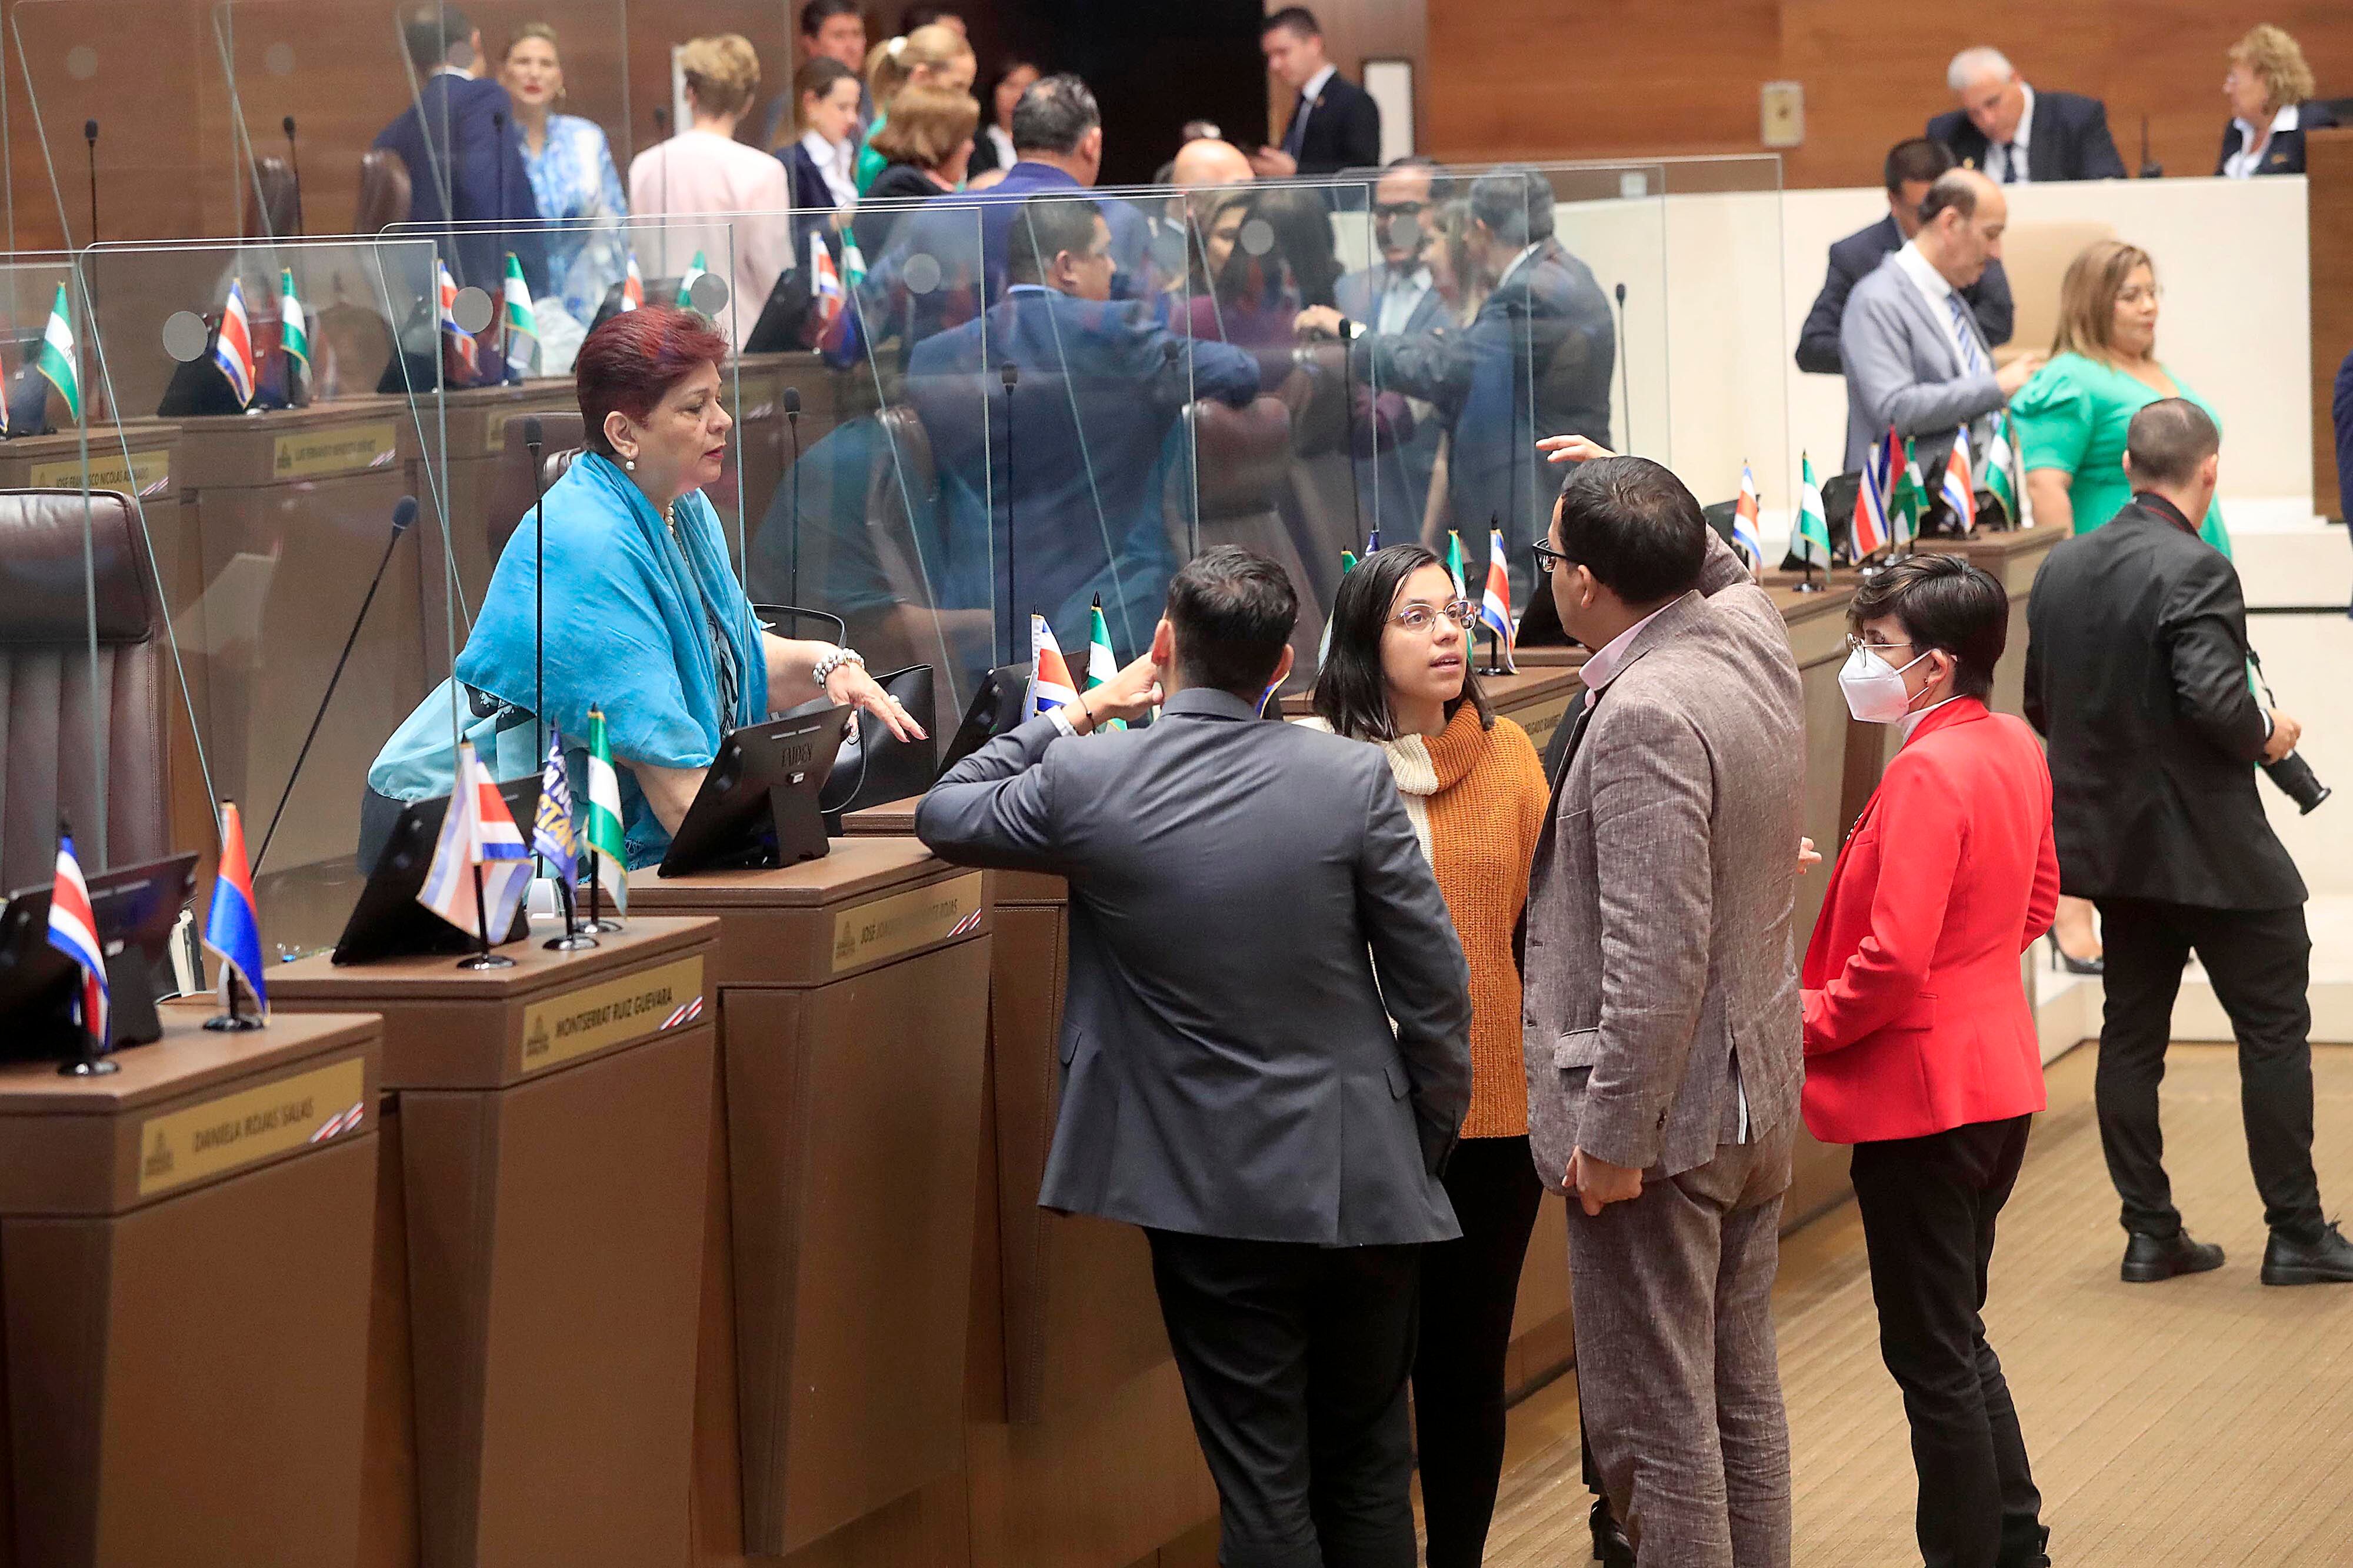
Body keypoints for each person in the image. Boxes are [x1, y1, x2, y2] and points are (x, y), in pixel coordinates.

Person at [916, 545, 1472, 1568]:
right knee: (1366, 1465)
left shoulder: (1092, 776)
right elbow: (1435, 989)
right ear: (1284, 664)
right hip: (1366, 1175)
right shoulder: (1350, 777)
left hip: (1206, 1194)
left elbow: (946, 807)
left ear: (1164, 649)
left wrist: (1079, 711)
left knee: (1265, 1483)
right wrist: (1419, 1138)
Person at [1521, 442, 1807, 1567]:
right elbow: (1725, 572)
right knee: (1740, 1397)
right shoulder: (1748, 634)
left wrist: (1613, 1138)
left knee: (1658, 1429)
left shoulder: (1644, 711)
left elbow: (1655, 960)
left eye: (1552, 554)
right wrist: (1645, 490)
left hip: (1668, 1125)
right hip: (1755, 1099)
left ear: (1584, 583)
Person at [368, 307, 919, 869]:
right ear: (624, 433)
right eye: (695, 407)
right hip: (466, 833)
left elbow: (733, 656)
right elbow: (682, 801)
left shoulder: (681, 504)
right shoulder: (587, 544)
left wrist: (830, 665)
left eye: (718, 399)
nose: (723, 420)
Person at [2024, 399, 2353, 1289]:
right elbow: (2214, 700)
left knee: (2131, 1035)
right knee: (2275, 1032)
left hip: (2115, 855)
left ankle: (2151, 1233)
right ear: (2209, 472)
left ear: (2128, 465)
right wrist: (2271, 734)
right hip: (2215, 850)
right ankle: (2295, 1232)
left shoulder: (2060, 568)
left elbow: (2038, 708)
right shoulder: (2200, 568)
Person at [1804, 554, 2058, 1568]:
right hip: (1997, 1080)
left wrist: (1800, 1022)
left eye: (1880, 646)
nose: (1861, 660)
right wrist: (1968, 977)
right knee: (1957, 1335)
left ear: (1938, 667)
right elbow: (2036, 902)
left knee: (1931, 1355)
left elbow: (1889, 961)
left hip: (1924, 1104)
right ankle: (2016, 1543)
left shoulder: (1924, 770)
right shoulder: (2014, 743)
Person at [1302, 546, 1547, 1568]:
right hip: (1359, 1124)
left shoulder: (1511, 757)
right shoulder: (1317, 770)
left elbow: (1549, 928)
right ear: (1364, 639)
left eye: (1454, 615)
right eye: (1417, 617)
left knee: (1462, 1372)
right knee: (1358, 1385)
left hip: (1490, 1115)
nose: (1448, 633)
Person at [906, 195, 1259, 670]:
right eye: (1104, 252)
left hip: (980, 624)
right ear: (1066, 266)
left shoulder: (934, 357)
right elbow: (1239, 372)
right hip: (1106, 619)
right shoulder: (1116, 334)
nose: (1114, 268)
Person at [1307, 167, 1614, 605]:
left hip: (1536, 498)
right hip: (1543, 489)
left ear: (1481, 230)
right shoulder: (1562, 272)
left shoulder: (1531, 292)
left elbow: (1448, 367)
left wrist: (1351, 335)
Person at [2013, 240, 2232, 557]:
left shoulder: (2157, 371)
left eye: (2152, 293)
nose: (2149, 306)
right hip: (2118, 567)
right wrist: (2069, 579)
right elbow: (2045, 486)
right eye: (2131, 297)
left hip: (2195, 563)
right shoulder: (2068, 378)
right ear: (2091, 303)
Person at [1839, 169, 2044, 482]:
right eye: (1990, 234)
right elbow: (1893, 411)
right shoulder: (1876, 300)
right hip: (1910, 514)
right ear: (1949, 223)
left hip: (1971, 510)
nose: (1996, 252)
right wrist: (1996, 387)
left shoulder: (1951, 297)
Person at [627, 35, 794, 349]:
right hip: (739, 343)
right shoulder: (763, 171)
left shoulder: (645, 166)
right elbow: (773, 277)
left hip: (664, 344)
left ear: (689, 93)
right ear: (747, 101)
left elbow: (644, 262)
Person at [1795, 138, 2013, 376]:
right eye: (1922, 212)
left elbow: (2000, 320)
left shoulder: (1972, 239)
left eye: (1945, 213)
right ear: (1893, 202)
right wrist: (1894, 349)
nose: (1937, 224)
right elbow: (1812, 348)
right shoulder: (1855, 255)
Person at [376, 4, 548, 297]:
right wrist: (494, 289)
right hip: (489, 292)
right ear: (475, 41)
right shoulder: (483, 99)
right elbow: (482, 192)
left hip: (427, 292)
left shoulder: (398, 129)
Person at [1334, 158, 1450, 539]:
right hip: (1358, 498)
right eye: (1382, 212)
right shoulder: (1349, 291)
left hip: (1432, 501)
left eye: (1407, 211)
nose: (1390, 225)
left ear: (1442, 214)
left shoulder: (1461, 297)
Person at [499, 23, 628, 329]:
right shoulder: (491, 143)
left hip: (589, 309)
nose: (535, 73)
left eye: (546, 64)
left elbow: (617, 228)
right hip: (516, 311)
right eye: (523, 62)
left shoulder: (586, 138)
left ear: (559, 77)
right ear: (502, 73)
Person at [1929, 47, 2125, 183]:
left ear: (2015, 79)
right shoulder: (1949, 133)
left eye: (1993, 103)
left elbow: (2109, 188)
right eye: (1974, 113)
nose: (1988, 120)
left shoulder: (2076, 118)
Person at [1253, 8, 1381, 179]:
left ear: (1314, 44)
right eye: (1270, 56)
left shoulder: (1354, 101)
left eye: (1283, 52)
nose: (1274, 65)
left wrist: (1296, 171)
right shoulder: (1304, 102)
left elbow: (1362, 172)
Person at [854, 83, 979, 258]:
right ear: (940, 138)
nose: (971, 147)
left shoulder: (906, 182)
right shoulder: (901, 188)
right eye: (965, 137)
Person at [852, 24, 976, 192]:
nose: (964, 98)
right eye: (957, 87)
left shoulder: (943, 136)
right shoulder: (888, 140)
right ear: (921, 77)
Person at [2217, 25, 2338, 178]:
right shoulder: (2237, 129)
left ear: (2268, 83)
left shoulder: (2311, 126)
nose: (2227, 89)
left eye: (2235, 79)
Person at [782, 55, 865, 264]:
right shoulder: (790, 164)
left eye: (855, 108)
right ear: (811, 103)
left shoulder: (851, 155)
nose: (852, 118)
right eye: (842, 107)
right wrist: (837, 221)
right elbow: (788, 244)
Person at [969, 56, 1041, 179]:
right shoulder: (974, 144)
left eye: (1029, 87)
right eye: (1011, 86)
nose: (1019, 96)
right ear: (994, 90)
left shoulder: (1053, 145)